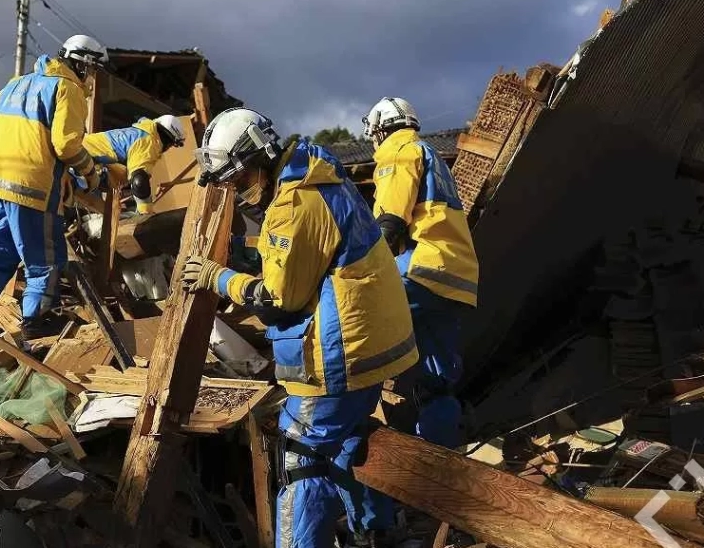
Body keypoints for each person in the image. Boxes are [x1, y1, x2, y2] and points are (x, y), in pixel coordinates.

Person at [181, 108, 417, 548]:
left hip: (342, 353)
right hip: (373, 344)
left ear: (262, 157)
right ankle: (378, 532)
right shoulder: (315, 173)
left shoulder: (295, 203)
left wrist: (218, 278)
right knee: (345, 440)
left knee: (301, 455)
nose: (239, 190)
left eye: (241, 178)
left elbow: (277, 300)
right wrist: (248, 255)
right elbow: (304, 258)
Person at [0, 34, 108, 341]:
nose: (92, 78)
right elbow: (66, 145)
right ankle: (37, 320)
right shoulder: (68, 88)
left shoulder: (17, 83)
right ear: (82, 65)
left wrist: (21, 142)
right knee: (45, 255)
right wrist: (90, 172)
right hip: (31, 185)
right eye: (92, 70)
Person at [362, 97, 480, 448]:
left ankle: (356, 435)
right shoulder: (433, 157)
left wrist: (361, 271)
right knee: (436, 381)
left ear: (380, 130)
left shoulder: (398, 150)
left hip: (421, 267)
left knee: (352, 323)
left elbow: (389, 222)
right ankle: (440, 460)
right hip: (455, 279)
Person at [82, 115, 187, 213]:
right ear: (169, 140)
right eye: (172, 145)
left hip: (85, 153)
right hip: (84, 158)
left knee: (123, 174)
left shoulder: (144, 134)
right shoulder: (148, 144)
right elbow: (139, 181)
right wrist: (146, 211)